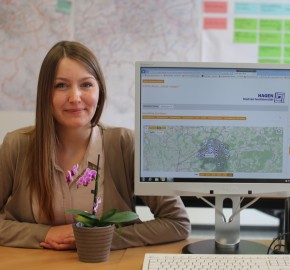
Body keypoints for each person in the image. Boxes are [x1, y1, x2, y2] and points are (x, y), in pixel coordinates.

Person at [0, 41, 191, 250]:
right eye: (61, 85)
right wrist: (45, 233)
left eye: (86, 85)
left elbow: (177, 223)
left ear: (99, 91)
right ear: (45, 93)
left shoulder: (126, 145)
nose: (75, 97)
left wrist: (101, 238)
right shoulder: (16, 146)